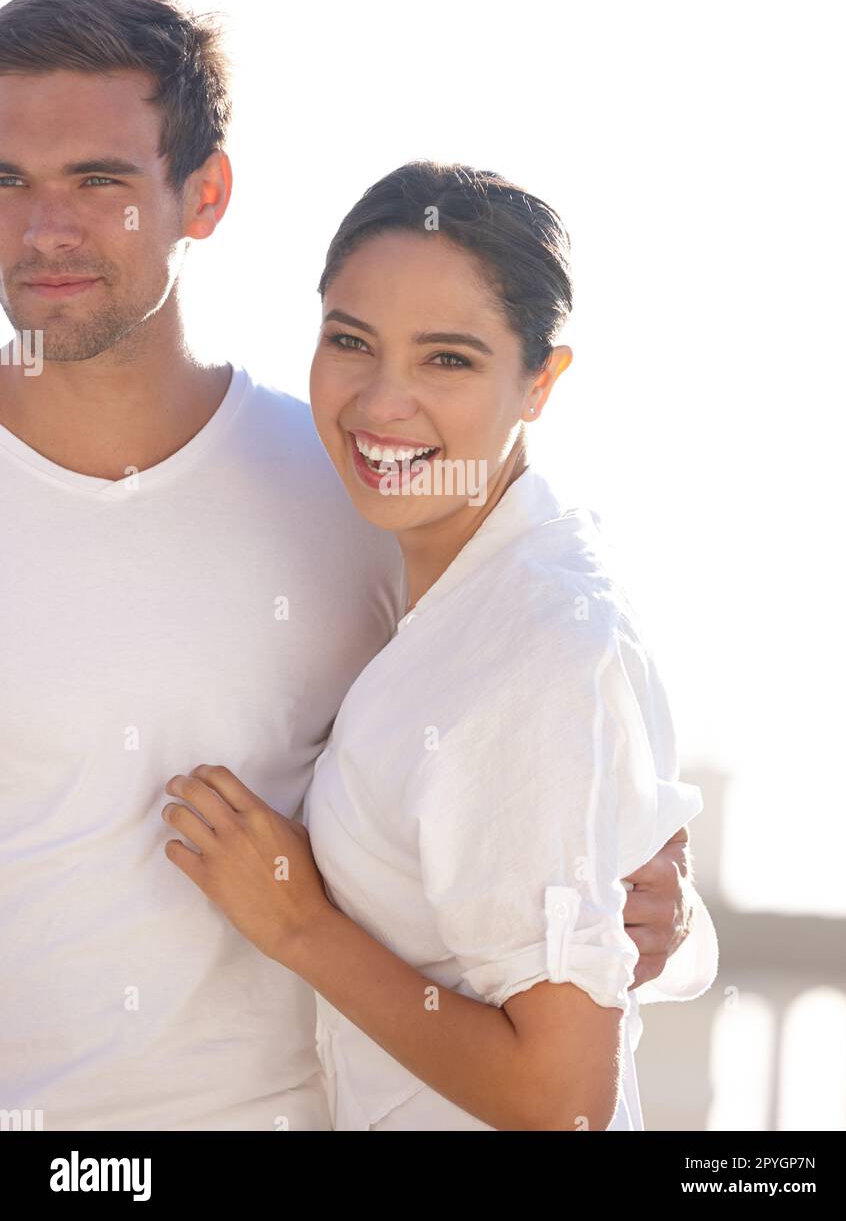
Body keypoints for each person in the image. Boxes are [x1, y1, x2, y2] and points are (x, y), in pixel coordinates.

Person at [0, 0, 708, 1132]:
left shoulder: (355, 485)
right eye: (7, 181)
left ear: (205, 195)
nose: (48, 229)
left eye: (100, 181)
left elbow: (548, 734)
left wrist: (655, 911)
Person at [161, 161, 719, 1131]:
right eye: (350, 341)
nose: (382, 402)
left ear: (540, 382)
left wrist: (300, 923)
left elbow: (559, 1103)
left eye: (447, 359)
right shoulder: (472, 573)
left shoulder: (532, 636)